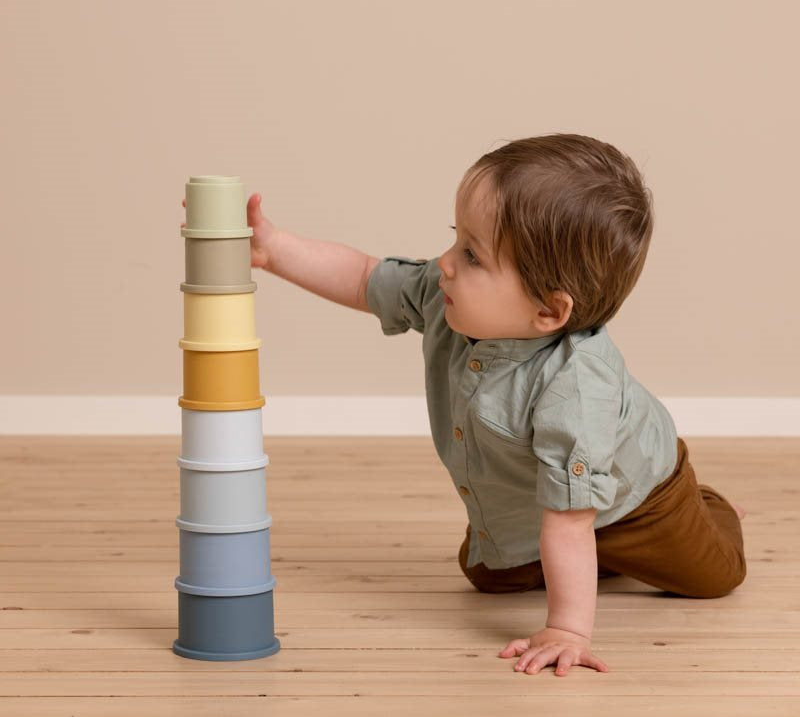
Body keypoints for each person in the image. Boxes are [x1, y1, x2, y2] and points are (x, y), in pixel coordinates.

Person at [212, 133, 747, 677]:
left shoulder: (576, 390)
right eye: (455, 239)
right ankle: (594, 561)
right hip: (537, 503)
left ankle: (709, 503)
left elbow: (568, 521)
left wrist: (566, 629)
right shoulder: (446, 299)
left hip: (640, 497)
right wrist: (274, 250)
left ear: (548, 310)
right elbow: (364, 277)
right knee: (488, 577)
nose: (444, 263)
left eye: (472, 255)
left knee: (714, 576)